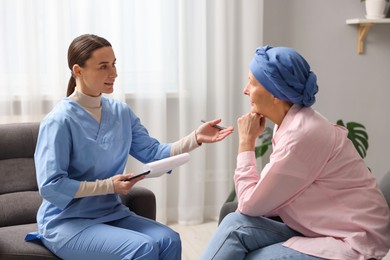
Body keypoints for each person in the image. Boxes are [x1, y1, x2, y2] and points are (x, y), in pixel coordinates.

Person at [25, 34, 234, 260]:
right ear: (78, 70)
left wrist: (196, 138)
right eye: (103, 67)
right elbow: (51, 186)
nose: (114, 73)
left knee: (169, 239)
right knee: (142, 247)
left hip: (109, 213)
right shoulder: (59, 121)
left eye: (114, 64)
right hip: (66, 222)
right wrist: (108, 186)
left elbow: (153, 153)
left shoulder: (120, 112)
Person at [201, 46, 390, 260]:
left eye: (252, 82)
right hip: (321, 229)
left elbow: (248, 204)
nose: (245, 90)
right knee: (234, 224)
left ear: (274, 93)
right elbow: (257, 203)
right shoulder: (294, 123)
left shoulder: (301, 134)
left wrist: (246, 142)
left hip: (352, 242)